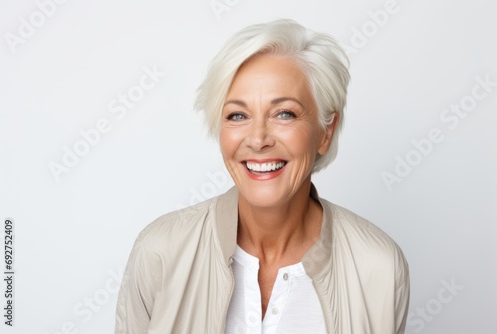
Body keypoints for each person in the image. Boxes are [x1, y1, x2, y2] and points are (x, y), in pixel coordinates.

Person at [115, 19, 410, 334]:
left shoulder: (379, 266)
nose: (257, 139)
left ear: (326, 132)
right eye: (237, 115)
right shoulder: (160, 250)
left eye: (284, 113)